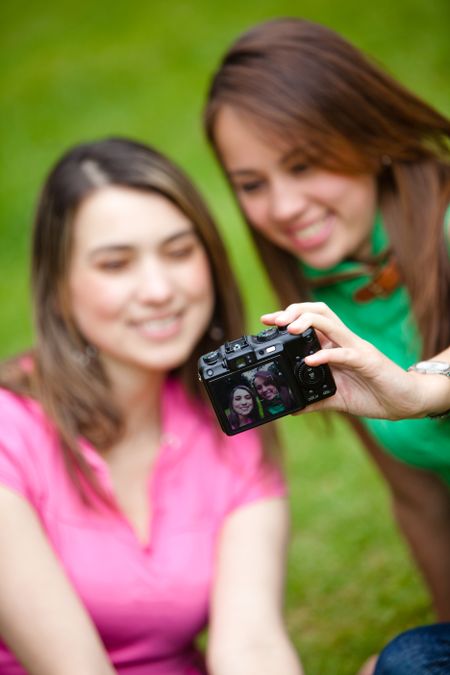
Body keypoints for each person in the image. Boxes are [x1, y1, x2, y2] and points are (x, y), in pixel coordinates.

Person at [0, 137, 303, 675]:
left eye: (179, 252)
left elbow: (251, 647)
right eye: (116, 264)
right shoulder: (9, 432)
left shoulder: (230, 420)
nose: (159, 289)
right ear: (61, 289)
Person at [203, 14, 450, 668]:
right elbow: (417, 496)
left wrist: (423, 388)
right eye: (252, 184)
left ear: (367, 134)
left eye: (304, 163)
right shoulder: (328, 300)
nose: (282, 206)